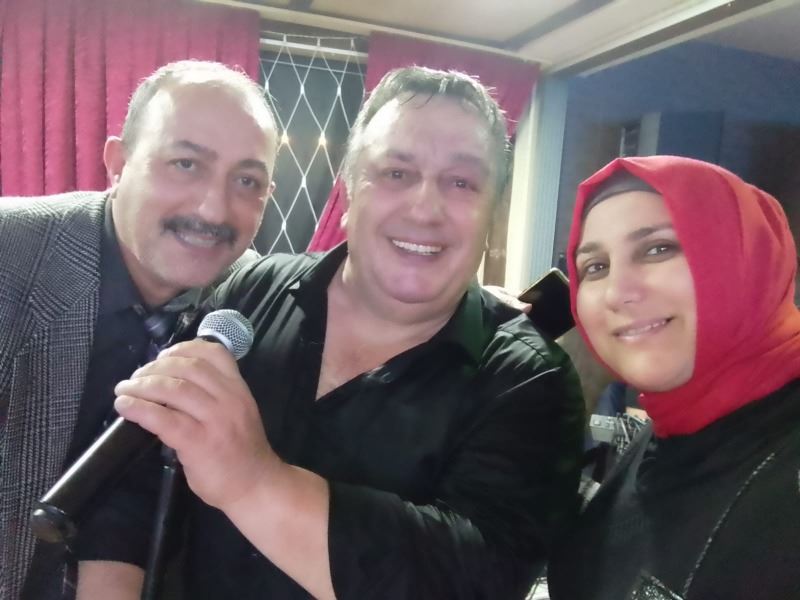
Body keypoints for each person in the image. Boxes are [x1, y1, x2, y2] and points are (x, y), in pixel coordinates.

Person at [78, 66, 586, 600]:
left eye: (461, 183)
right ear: (348, 190)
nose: (425, 209)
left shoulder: (531, 380)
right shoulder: (252, 288)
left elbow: (475, 578)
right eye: (396, 172)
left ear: (492, 210)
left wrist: (254, 481)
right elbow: (138, 475)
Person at [0, 60, 278, 599]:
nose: (213, 209)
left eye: (246, 181)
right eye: (185, 164)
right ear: (118, 164)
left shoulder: (250, 298)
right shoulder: (12, 255)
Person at [547, 155, 800, 599]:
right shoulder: (668, 429)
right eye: (596, 267)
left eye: (657, 249)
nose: (618, 292)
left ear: (747, 257)